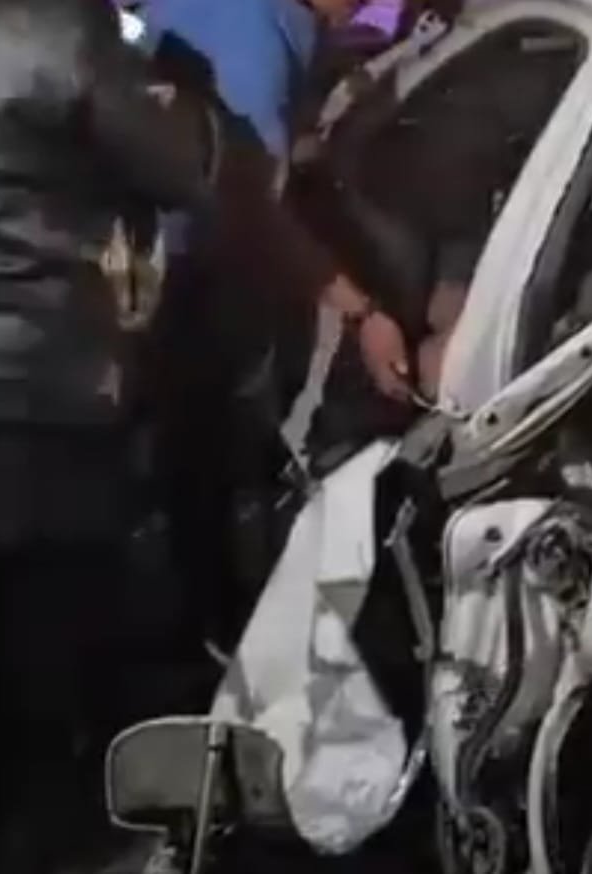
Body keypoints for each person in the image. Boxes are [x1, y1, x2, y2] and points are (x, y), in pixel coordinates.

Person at [0, 0, 221, 870]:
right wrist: (192, 105)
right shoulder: (62, 30)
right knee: (47, 668)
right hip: (43, 386)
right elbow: (179, 172)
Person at [136, 0, 410, 655]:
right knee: (214, 452)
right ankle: (217, 635)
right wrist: (362, 312)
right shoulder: (255, 43)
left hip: (137, 257)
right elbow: (250, 213)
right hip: (175, 267)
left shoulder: (246, 19)